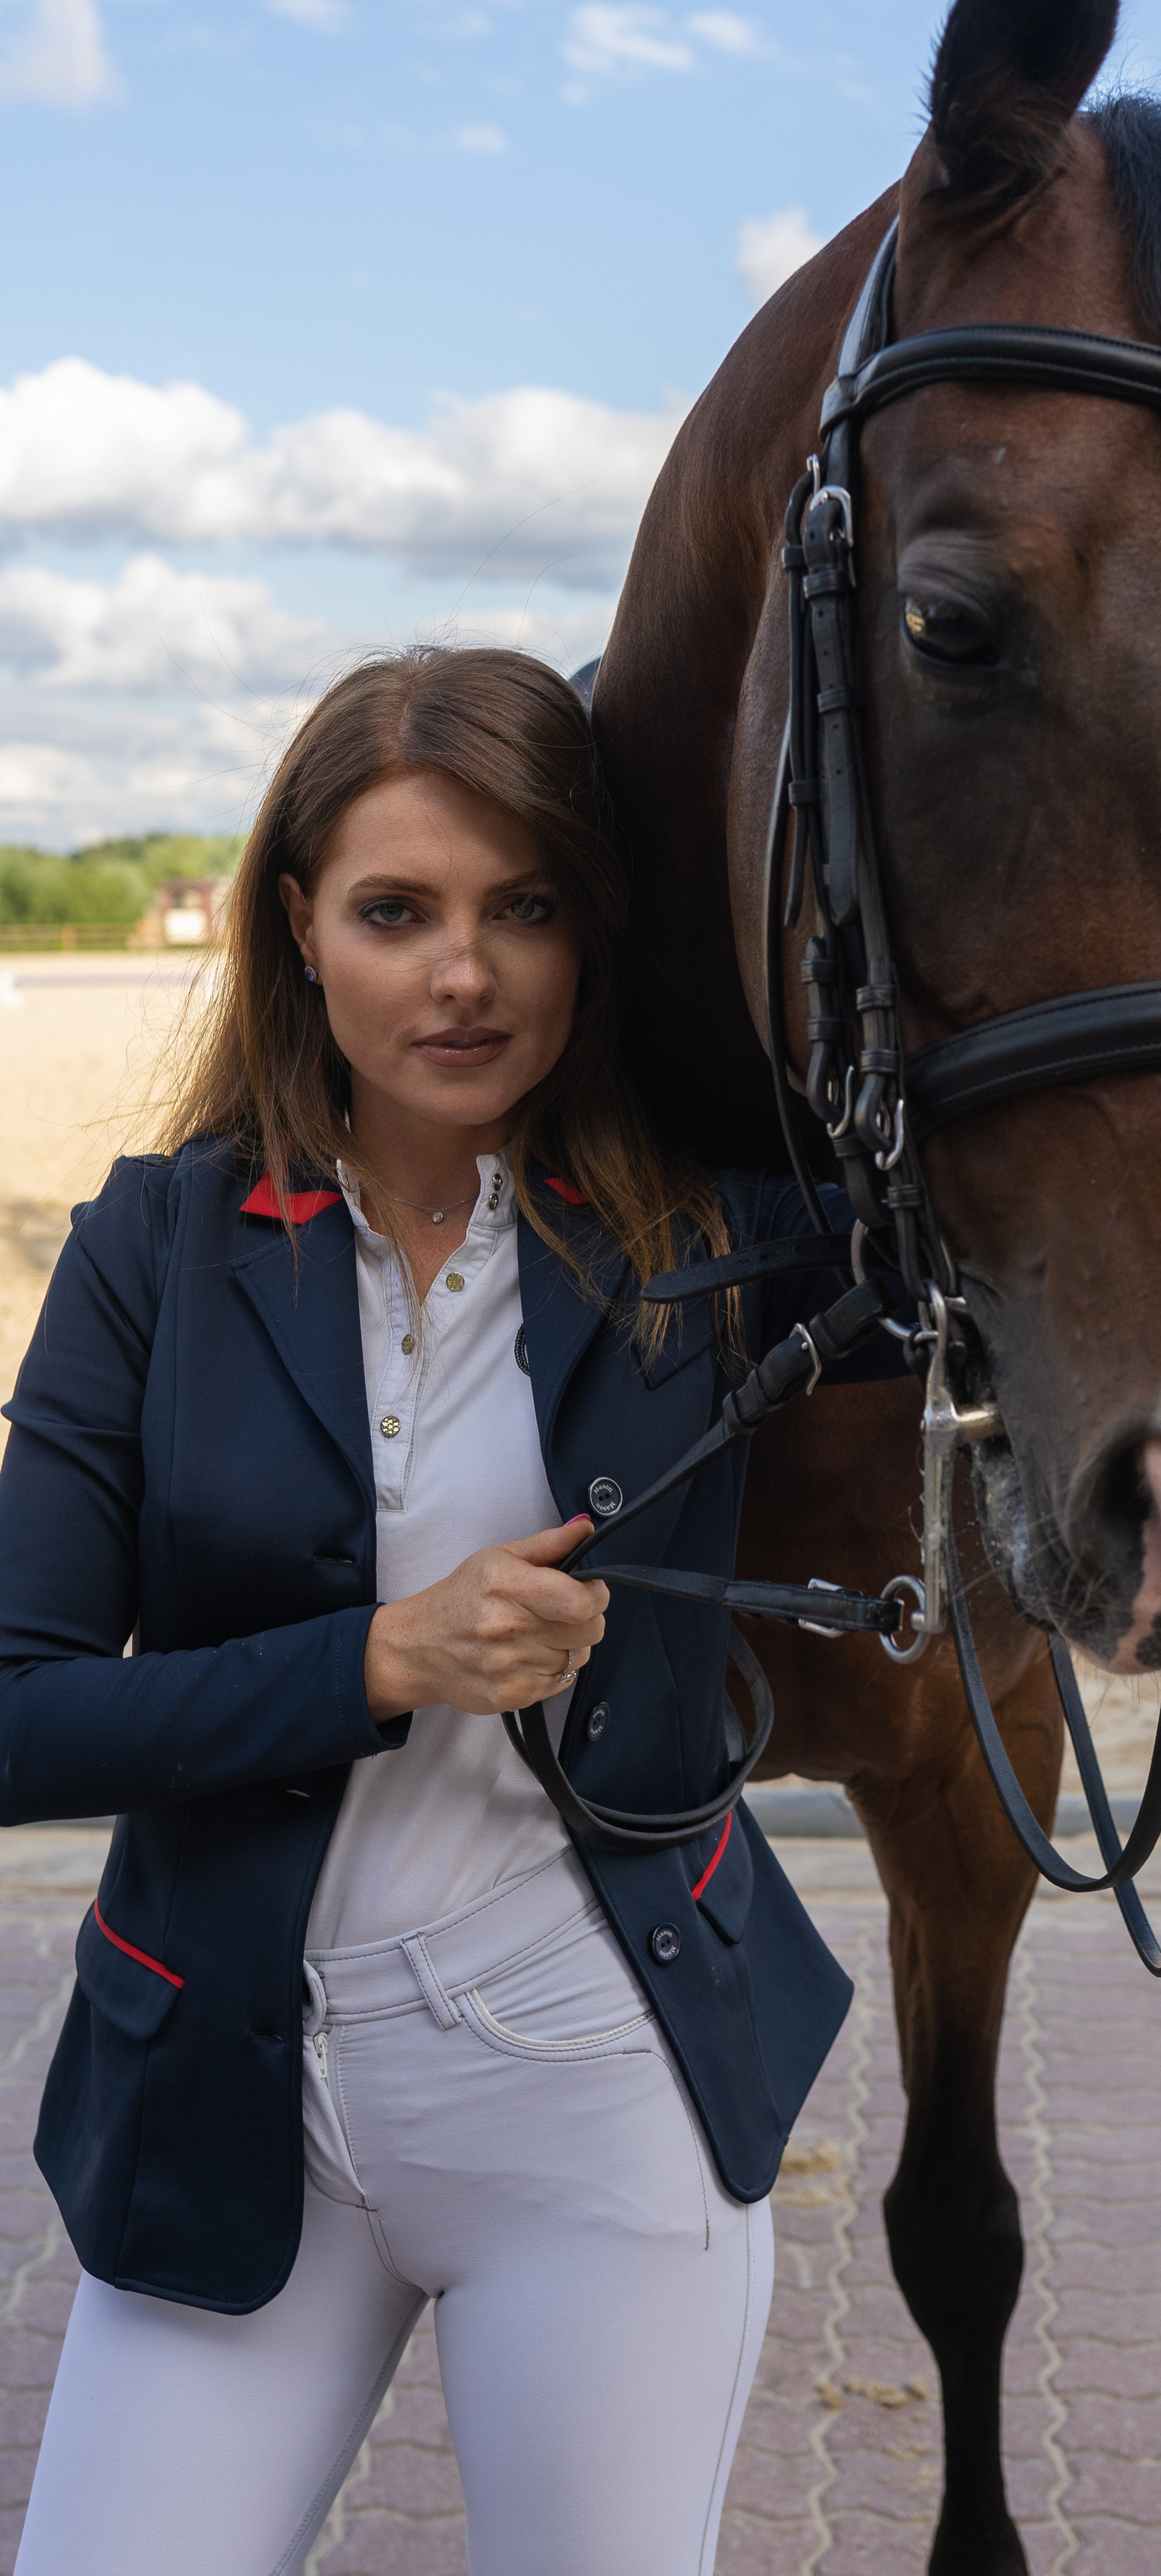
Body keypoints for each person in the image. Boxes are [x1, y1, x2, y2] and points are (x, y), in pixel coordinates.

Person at [0, 647, 897, 2575]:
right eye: (397, 912)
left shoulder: (725, 1237)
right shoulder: (153, 1245)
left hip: (595, 2081)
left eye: (526, 908)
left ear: (595, 935)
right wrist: (381, 1661)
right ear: (298, 930)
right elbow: (17, 1714)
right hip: (227, 2084)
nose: (464, 974)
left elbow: (1025, 1196)